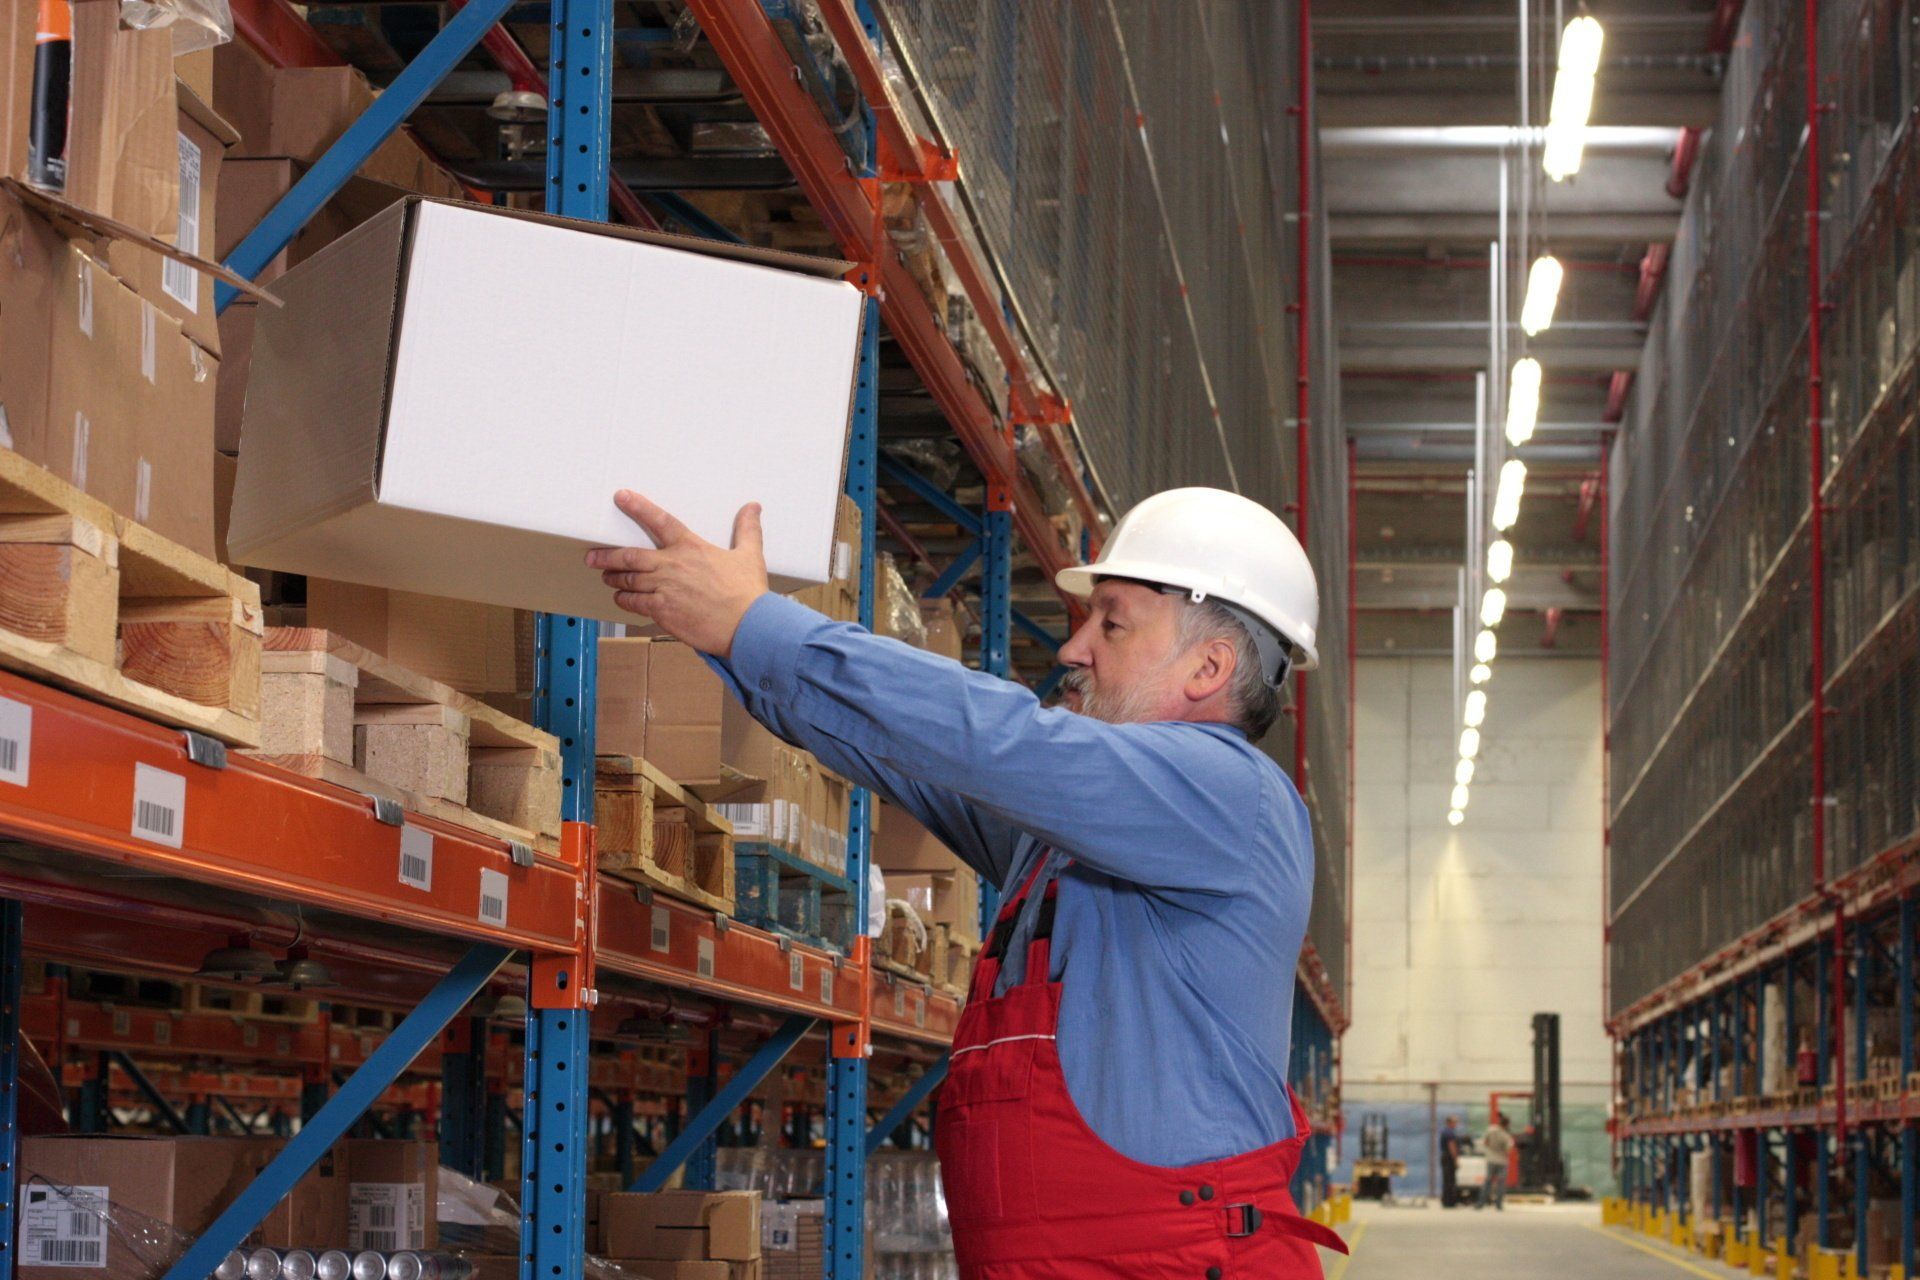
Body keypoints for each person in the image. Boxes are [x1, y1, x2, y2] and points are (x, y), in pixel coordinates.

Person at [588, 486, 1348, 1278]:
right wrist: (729, 634)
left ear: (1210, 666)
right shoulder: (1069, 841)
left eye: (1111, 622)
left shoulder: (1232, 797)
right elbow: (909, 754)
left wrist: (760, 626)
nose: (1073, 650)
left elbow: (998, 741)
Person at [1480, 1114, 1514, 1211]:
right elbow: (1508, 1149)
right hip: (1502, 1161)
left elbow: (1485, 1142)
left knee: (1488, 1181)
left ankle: (1481, 1203)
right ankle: (1498, 1204)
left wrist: (1491, 1149)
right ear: (1507, 1124)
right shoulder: (1506, 1135)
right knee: (1501, 1182)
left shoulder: (1490, 1130)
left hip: (1490, 1158)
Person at [1440, 1115, 1462, 1207]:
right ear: (1449, 1122)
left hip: (1445, 1157)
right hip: (1449, 1158)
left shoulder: (1445, 1131)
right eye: (1454, 1122)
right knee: (1450, 1180)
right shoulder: (1449, 1132)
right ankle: (1450, 1202)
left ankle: (1446, 1201)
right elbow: (1452, 1146)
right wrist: (1455, 1160)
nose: (1456, 1124)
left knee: (1447, 1180)